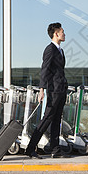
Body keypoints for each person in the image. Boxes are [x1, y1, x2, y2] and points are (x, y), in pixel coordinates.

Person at [24, 22, 69, 159]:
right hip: (53, 90)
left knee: (56, 119)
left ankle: (55, 149)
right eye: (62, 31)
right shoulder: (50, 49)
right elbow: (44, 70)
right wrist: (42, 89)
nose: (64, 34)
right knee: (47, 118)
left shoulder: (60, 50)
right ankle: (30, 148)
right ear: (56, 34)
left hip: (61, 89)